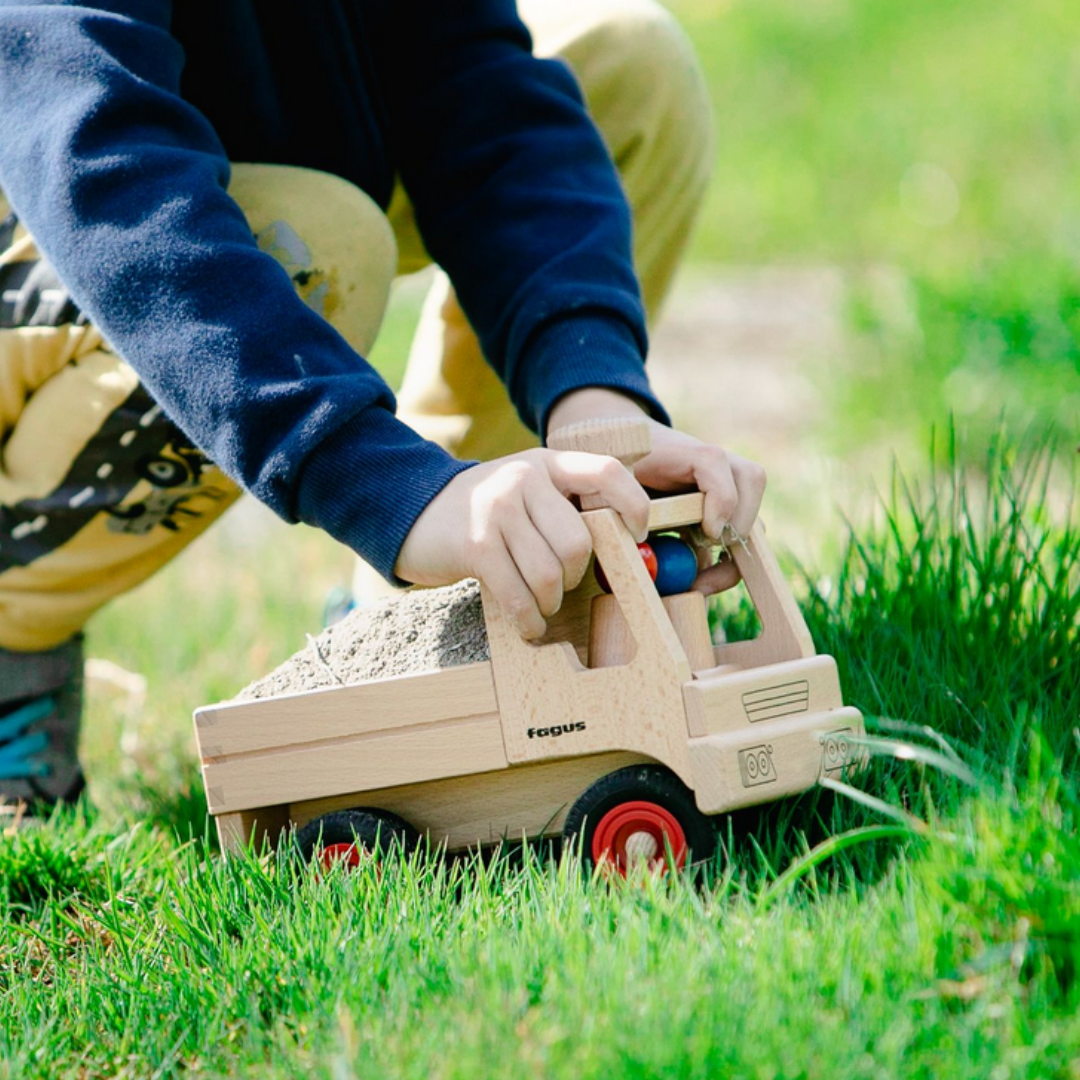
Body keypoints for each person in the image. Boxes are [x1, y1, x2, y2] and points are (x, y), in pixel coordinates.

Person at [0, 0, 766, 810]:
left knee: (628, 68)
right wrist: (393, 493)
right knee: (311, 249)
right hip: (52, 205)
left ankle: (425, 614)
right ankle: (13, 633)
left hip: (255, 159)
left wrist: (593, 400)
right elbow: (102, 160)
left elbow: (473, 83)